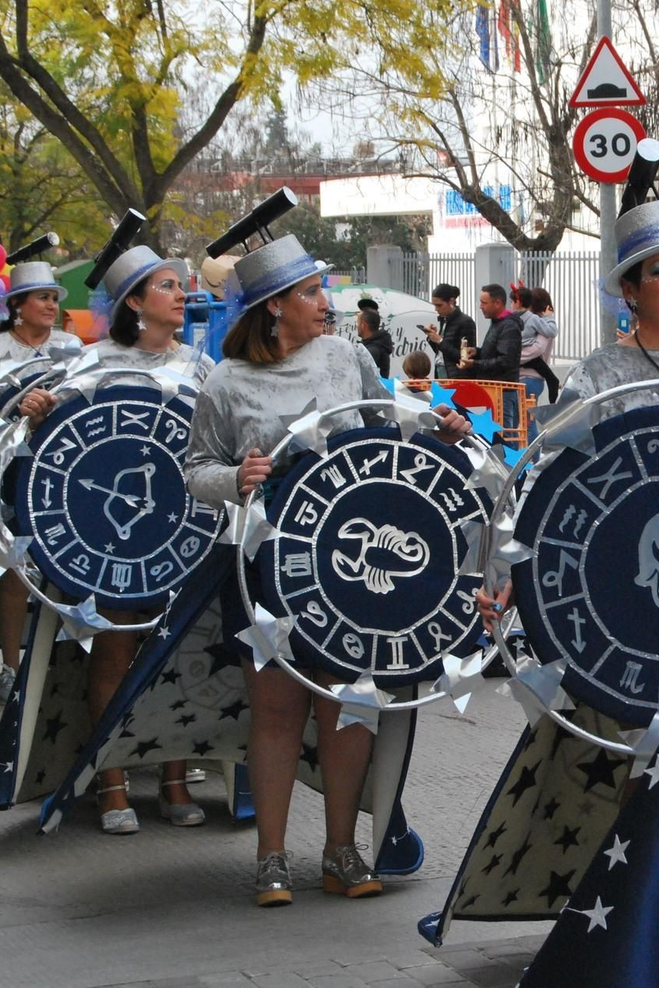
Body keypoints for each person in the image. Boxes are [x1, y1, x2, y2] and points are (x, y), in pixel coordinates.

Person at [435, 198, 659, 969]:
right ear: (632, 289)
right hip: (621, 611)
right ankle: (634, 924)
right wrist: (508, 578)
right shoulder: (600, 374)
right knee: (631, 761)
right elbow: (547, 482)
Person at [185, 235, 469, 906]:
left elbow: (386, 423)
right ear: (274, 305)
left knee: (345, 704)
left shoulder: (344, 356)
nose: (327, 302)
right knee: (278, 711)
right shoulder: (223, 380)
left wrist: (440, 428)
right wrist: (236, 476)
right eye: (313, 291)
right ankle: (271, 858)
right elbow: (195, 470)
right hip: (267, 565)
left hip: (347, 560)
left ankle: (343, 849)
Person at [15, 245, 214, 834]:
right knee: (114, 652)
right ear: (134, 301)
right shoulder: (90, 360)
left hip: (182, 533)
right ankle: (110, 783)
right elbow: (56, 439)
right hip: (111, 540)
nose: (181, 295)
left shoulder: (200, 366)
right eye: (167, 286)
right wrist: (38, 409)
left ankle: (175, 780)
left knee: (174, 657)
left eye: (182, 286)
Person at [0, 263, 82, 699]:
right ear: (17, 306)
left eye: (54, 298)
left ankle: (67, 665)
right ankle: (10, 668)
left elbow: (86, 400)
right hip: (8, 473)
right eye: (42, 297)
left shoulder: (72, 347)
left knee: (65, 565)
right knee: (11, 568)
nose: (51, 305)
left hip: (62, 471)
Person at [458, 283, 521, 384]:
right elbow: (494, 353)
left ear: (497, 303)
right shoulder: (497, 322)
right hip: (492, 387)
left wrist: (475, 364)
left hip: (502, 390)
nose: (481, 307)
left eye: (484, 303)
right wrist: (477, 352)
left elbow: (505, 361)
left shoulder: (509, 326)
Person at [513, 285, 560, 402]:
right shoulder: (536, 322)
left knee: (526, 417)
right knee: (522, 417)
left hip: (529, 377)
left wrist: (511, 359)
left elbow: (538, 348)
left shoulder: (541, 324)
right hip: (525, 376)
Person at [424, 283, 476, 378]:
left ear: (451, 301)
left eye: (439, 305)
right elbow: (441, 352)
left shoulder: (466, 322)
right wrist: (433, 337)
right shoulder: (444, 320)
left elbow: (464, 357)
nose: (436, 309)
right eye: (435, 305)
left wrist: (440, 341)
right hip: (441, 373)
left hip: (456, 376)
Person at [356, 301, 392, 378]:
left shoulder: (373, 351)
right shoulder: (376, 345)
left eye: (358, 322)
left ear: (363, 325)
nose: (357, 326)